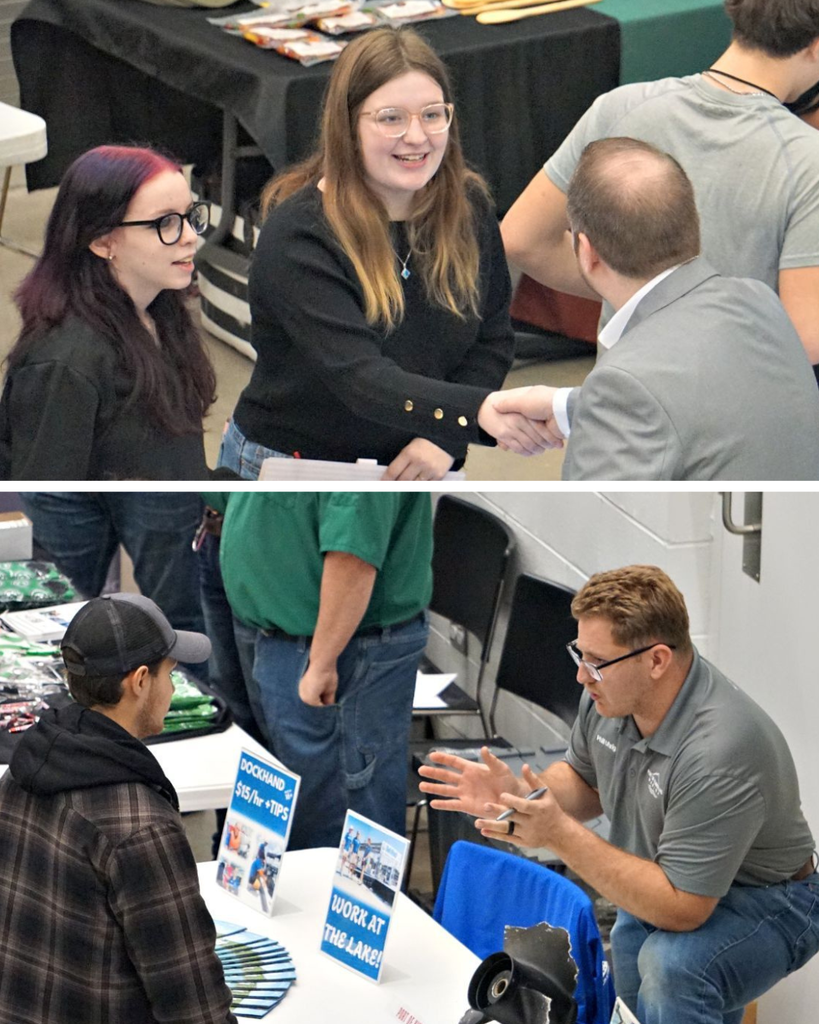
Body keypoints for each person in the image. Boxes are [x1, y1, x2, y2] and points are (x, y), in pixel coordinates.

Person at [419, 565, 819, 1024]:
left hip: (774, 899)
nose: (581, 677)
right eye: (579, 654)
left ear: (657, 661)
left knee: (673, 968)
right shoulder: (610, 694)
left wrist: (560, 835)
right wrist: (522, 795)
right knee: (630, 942)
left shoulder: (720, 749)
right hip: (678, 873)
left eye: (596, 662)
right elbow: (585, 782)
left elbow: (683, 908)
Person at [218, 27, 553, 482]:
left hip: (416, 462)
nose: (417, 137)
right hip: (295, 465)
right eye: (391, 118)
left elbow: (491, 340)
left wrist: (444, 439)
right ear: (348, 125)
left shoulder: (469, 208)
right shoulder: (299, 238)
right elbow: (360, 379)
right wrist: (475, 413)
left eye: (433, 115)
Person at [501, 0, 819, 374]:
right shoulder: (807, 160)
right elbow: (806, 339)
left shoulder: (619, 108)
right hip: (737, 411)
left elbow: (522, 238)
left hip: (624, 392)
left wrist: (633, 290)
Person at [495, 138, 819, 480]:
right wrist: (573, 407)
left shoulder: (625, 379)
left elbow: (596, 521)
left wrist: (603, 402)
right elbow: (707, 403)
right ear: (690, 224)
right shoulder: (758, 298)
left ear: (587, 252)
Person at [0, 592, 236, 1024]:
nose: (172, 688)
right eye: (171, 673)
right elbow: (195, 1006)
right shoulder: (140, 828)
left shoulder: (18, 774)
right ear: (140, 680)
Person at [214, 492, 432, 848]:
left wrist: (323, 661)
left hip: (336, 645)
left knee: (340, 817)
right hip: (278, 634)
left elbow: (353, 551)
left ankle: (349, 903)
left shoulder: (353, 449)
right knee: (301, 806)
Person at [0, 145, 216, 479]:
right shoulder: (66, 364)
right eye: (166, 223)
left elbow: (172, 467)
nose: (189, 237)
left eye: (191, 216)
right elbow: (47, 508)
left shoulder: (161, 310)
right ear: (102, 241)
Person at [18, 493, 206, 671]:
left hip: (156, 473)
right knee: (44, 615)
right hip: (55, 470)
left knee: (177, 624)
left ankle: (188, 701)